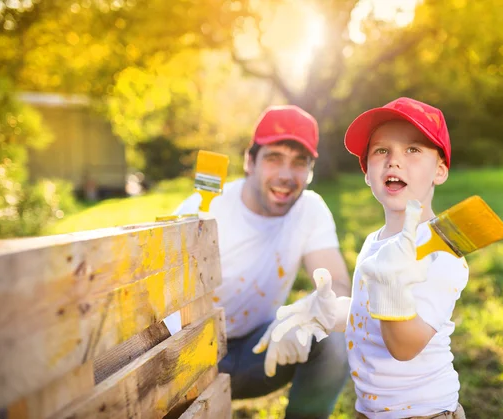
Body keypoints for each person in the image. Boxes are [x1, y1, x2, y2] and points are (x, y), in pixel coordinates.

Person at [267, 97, 469, 418]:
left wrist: (392, 290)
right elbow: (367, 312)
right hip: (370, 409)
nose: (394, 161)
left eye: (413, 150)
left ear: (440, 170)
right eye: (381, 151)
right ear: (366, 173)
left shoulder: (441, 252)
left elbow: (404, 347)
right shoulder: (375, 241)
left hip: (423, 413)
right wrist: (323, 313)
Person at [166, 105, 351, 419]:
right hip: (182, 362)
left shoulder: (311, 210)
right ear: (249, 162)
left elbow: (341, 289)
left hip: (258, 352)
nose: (285, 175)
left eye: (299, 163)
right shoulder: (202, 208)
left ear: (310, 172)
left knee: (335, 337)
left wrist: (310, 314)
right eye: (274, 158)